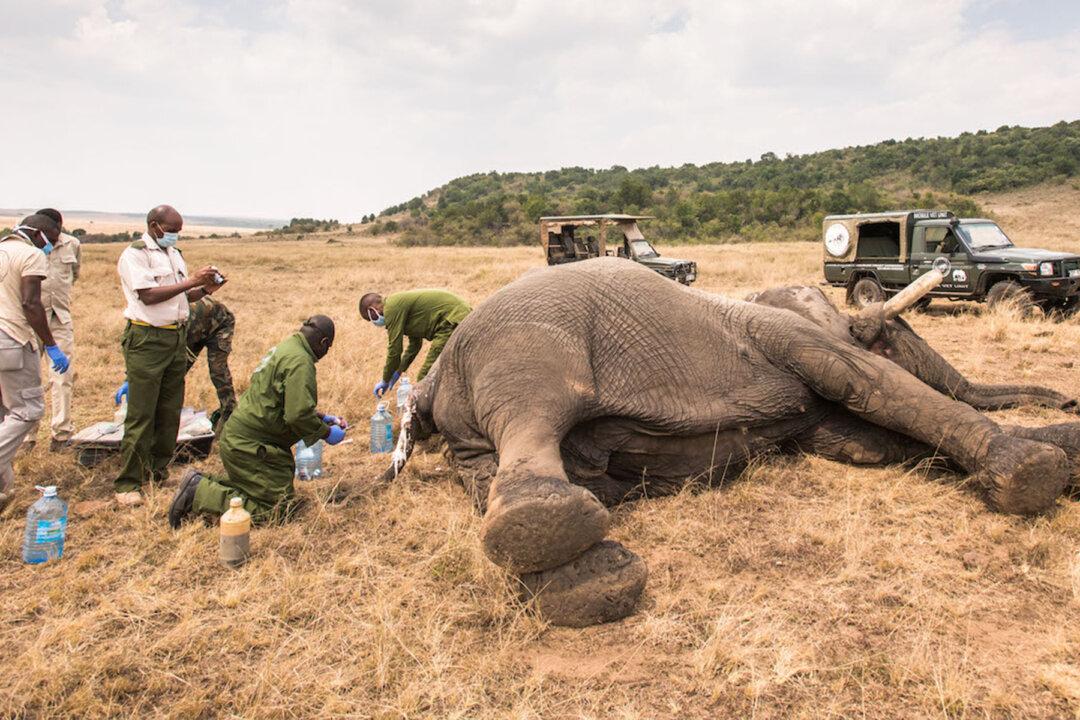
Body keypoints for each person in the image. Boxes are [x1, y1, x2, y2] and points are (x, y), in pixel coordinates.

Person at [168, 315, 347, 527]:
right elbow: (297, 415)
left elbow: (279, 400)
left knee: (265, 491)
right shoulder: (301, 362)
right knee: (275, 510)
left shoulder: (286, 348)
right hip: (251, 446)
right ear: (324, 343)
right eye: (328, 348)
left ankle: (199, 483)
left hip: (240, 436)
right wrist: (326, 433)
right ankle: (200, 492)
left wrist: (321, 418)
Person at [113, 205, 223, 507]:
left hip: (176, 335)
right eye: (171, 229)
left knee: (170, 407)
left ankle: (158, 470)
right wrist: (192, 281)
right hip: (147, 336)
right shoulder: (135, 254)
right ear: (155, 225)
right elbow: (148, 295)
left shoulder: (175, 255)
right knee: (142, 411)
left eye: (179, 229)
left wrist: (204, 289)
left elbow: (179, 295)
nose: (175, 234)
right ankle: (129, 481)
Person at [0, 214, 70, 510]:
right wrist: (51, 345)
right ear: (39, 233)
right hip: (13, 340)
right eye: (52, 240)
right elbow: (31, 303)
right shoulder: (30, 254)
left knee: (4, 412)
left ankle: (4, 490)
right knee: (28, 411)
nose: (52, 247)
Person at [115, 295, 237, 433]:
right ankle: (161, 417)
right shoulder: (150, 322)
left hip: (220, 324)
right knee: (174, 374)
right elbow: (145, 356)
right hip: (196, 328)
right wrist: (130, 380)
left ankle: (230, 414)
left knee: (217, 369)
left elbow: (162, 359)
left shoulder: (175, 319)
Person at [23, 208, 80, 452]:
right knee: (29, 379)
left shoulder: (73, 244)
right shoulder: (27, 246)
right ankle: (26, 436)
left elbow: (73, 276)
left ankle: (61, 434)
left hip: (60, 318)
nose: (53, 241)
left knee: (63, 378)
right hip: (31, 319)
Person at [358, 289, 471, 397]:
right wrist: (398, 371)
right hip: (455, 316)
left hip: (450, 320)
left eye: (371, 318)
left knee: (424, 377)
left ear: (372, 310)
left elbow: (395, 349)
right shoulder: (397, 306)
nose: (374, 322)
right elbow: (414, 346)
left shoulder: (391, 308)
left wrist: (385, 379)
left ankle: (425, 414)